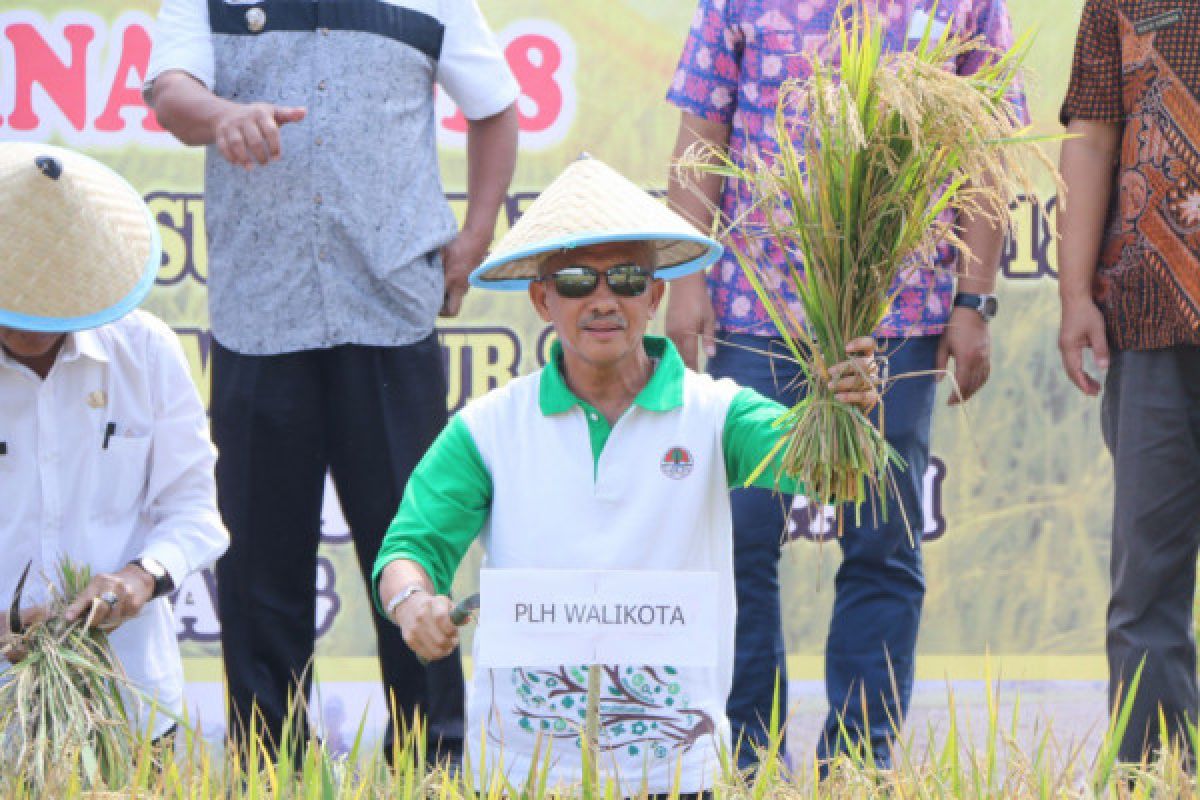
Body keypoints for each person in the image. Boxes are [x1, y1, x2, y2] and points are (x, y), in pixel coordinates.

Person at [371, 155, 880, 797]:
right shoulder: (490, 428)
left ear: (656, 295)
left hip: (677, 769)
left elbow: (827, 472)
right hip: (524, 775)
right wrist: (413, 602)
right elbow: (409, 549)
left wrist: (850, 412)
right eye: (579, 280)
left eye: (628, 278)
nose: (604, 300)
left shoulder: (716, 413)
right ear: (542, 298)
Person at [144, 0, 521, 758]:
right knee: (257, 574)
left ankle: (433, 763)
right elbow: (170, 93)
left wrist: (475, 236)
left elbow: (496, 106)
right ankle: (270, 767)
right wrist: (222, 114)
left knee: (415, 552)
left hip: (390, 316)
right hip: (261, 314)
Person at [663, 0, 1025, 769]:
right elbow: (703, 126)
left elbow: (988, 152)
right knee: (739, 540)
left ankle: (860, 765)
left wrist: (973, 300)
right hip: (758, 309)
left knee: (884, 546)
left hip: (901, 315)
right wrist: (686, 276)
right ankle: (743, 759)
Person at [0, 142, 228, 741]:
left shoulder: (145, 351)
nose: (29, 321)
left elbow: (194, 513)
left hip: (127, 701)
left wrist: (139, 577)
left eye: (51, 302)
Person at [1058, 0, 1200, 763]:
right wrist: (1074, 294)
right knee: (1147, 589)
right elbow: (1091, 134)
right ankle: (1158, 776)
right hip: (1149, 319)